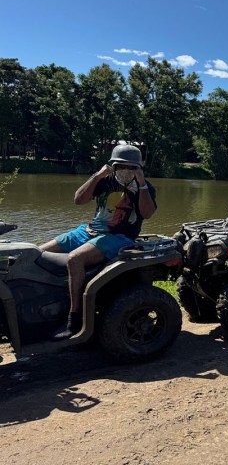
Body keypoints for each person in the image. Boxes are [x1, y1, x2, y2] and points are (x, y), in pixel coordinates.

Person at [40, 143, 157, 339]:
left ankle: (74, 319)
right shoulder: (105, 180)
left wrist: (142, 184)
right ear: (113, 166)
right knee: (36, 253)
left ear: (138, 168)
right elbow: (78, 200)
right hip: (87, 231)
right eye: (121, 166)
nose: (126, 171)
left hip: (118, 237)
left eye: (131, 167)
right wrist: (97, 175)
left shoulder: (145, 188)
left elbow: (148, 213)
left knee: (75, 259)